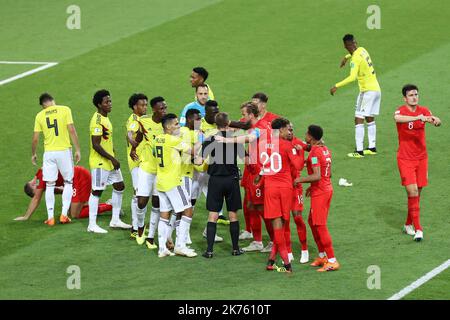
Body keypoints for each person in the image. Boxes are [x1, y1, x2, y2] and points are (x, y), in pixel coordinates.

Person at [394, 84, 441, 241]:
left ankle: (408, 224)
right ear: (405, 98)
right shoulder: (401, 111)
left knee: (417, 194)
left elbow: (435, 120)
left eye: (416, 94)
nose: (414, 97)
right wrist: (417, 118)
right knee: (412, 192)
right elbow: (397, 118)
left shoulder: (424, 110)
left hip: (422, 158)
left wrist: (435, 120)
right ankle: (419, 229)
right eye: (411, 95)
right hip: (405, 158)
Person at [196, 112, 246, 258]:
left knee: (213, 215)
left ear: (215, 124)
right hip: (231, 180)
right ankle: (236, 249)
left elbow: (199, 161)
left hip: (215, 181)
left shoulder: (209, 139)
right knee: (233, 215)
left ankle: (209, 251)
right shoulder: (234, 140)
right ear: (228, 122)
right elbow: (247, 159)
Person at [32, 93, 81, 226]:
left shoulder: (40, 116)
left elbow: (35, 138)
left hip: (49, 153)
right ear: (53, 100)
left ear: (43, 105)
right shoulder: (65, 109)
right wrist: (77, 149)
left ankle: (50, 218)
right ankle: (64, 215)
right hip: (64, 151)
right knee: (68, 182)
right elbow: (71, 129)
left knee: (49, 185)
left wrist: (34, 153)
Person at [295, 125, 339, 272]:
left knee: (319, 225)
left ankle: (332, 260)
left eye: (307, 133)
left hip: (321, 192)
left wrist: (299, 180)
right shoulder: (324, 149)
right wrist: (312, 186)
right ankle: (322, 256)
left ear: (311, 137)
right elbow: (328, 174)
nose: (305, 135)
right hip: (325, 189)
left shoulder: (314, 152)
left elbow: (317, 175)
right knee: (312, 222)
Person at [154, 113, 198, 258]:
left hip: (160, 182)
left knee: (164, 215)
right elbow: (193, 151)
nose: (179, 126)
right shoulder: (172, 140)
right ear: (168, 127)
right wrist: (201, 139)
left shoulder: (157, 139)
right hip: (173, 182)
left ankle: (162, 249)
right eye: (176, 124)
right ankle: (181, 246)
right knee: (188, 210)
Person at [330, 34, 381, 158]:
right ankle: (372, 148)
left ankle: (359, 151)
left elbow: (352, 77)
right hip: (376, 90)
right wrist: (347, 57)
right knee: (369, 117)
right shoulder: (362, 49)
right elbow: (356, 54)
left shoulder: (355, 60)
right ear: (355, 42)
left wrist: (337, 85)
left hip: (367, 92)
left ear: (345, 45)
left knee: (358, 118)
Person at [87, 89, 131, 233]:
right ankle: (92, 225)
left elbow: (106, 140)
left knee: (119, 186)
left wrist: (113, 155)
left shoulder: (105, 117)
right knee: (97, 191)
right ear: (99, 104)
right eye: (107, 102)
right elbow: (96, 144)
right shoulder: (97, 120)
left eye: (110, 101)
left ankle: (115, 220)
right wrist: (112, 158)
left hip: (109, 161)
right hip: (100, 162)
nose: (110, 104)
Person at [132, 96, 167, 249]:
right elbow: (139, 136)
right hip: (146, 168)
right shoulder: (144, 122)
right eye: (161, 108)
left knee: (157, 203)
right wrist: (134, 148)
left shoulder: (168, 125)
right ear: (154, 109)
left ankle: (151, 236)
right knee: (141, 202)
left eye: (165, 108)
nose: (164, 111)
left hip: (161, 170)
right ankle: (140, 228)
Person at [16, 166, 112, 221]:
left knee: (75, 214)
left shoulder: (41, 177)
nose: (39, 193)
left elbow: (36, 199)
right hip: (74, 181)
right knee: (75, 210)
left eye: (37, 192)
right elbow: (58, 190)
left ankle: (110, 205)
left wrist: (26, 216)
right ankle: (103, 204)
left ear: (33, 184)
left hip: (80, 179)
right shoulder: (39, 176)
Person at [126, 93, 148, 238]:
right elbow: (129, 133)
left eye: (146, 104)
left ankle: (136, 226)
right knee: (138, 194)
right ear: (135, 107)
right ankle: (135, 228)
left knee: (140, 194)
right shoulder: (134, 120)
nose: (145, 107)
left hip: (143, 162)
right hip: (137, 163)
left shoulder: (142, 119)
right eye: (142, 105)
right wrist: (133, 143)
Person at [180, 109, 202, 245]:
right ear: (189, 120)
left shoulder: (190, 132)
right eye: (197, 119)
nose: (200, 121)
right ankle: (182, 237)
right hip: (183, 175)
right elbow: (191, 154)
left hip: (189, 174)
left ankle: (179, 235)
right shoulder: (184, 133)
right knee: (184, 207)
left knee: (184, 206)